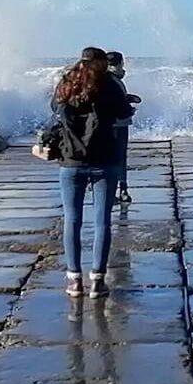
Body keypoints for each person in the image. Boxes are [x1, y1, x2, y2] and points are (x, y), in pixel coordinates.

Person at [43, 46, 134, 297]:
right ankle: (98, 280)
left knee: (72, 220)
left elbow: (55, 107)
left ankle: (74, 279)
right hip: (105, 160)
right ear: (103, 64)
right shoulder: (110, 85)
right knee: (102, 220)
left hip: (71, 161)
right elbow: (124, 112)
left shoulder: (67, 83)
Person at [104, 50, 140, 205]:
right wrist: (129, 108)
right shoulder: (113, 80)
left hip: (106, 125)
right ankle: (121, 190)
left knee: (109, 158)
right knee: (119, 158)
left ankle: (111, 191)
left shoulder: (105, 79)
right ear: (119, 63)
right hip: (118, 124)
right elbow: (116, 104)